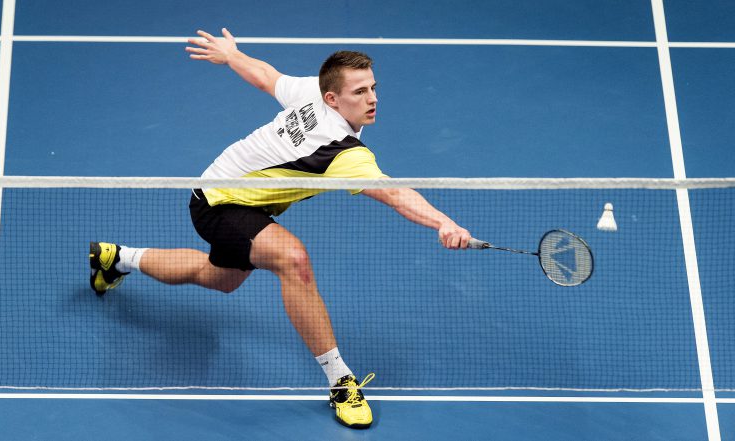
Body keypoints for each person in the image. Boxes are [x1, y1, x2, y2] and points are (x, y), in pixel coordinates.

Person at [89, 28, 473, 429]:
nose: (373, 99)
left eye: (373, 88)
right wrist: (443, 222)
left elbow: (265, 76)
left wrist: (232, 55)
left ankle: (117, 258)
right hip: (221, 201)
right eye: (359, 92)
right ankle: (341, 380)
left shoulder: (313, 91)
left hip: (225, 193)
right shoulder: (342, 152)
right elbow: (395, 194)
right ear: (332, 97)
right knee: (294, 260)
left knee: (220, 279)